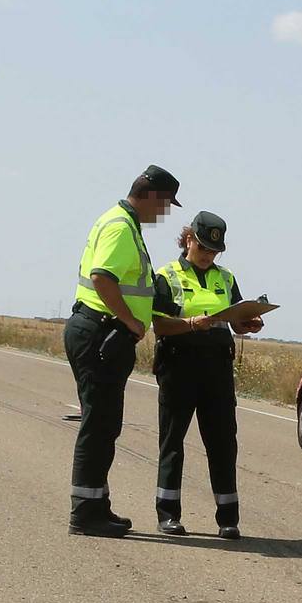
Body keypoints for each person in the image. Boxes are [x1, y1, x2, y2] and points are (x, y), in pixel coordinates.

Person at [65, 164, 181, 538]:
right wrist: (130, 321)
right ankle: (84, 513)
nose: (163, 213)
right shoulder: (120, 226)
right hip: (101, 332)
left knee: (106, 424)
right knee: (98, 425)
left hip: (100, 332)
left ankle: (97, 504)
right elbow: (102, 277)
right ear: (148, 195)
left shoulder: (124, 224)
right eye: (164, 204)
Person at [150, 211, 262, 539]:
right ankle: (168, 514)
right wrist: (190, 324)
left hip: (217, 368)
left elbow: (237, 316)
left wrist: (248, 323)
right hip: (179, 364)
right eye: (203, 249)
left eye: (214, 251)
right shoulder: (166, 275)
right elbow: (157, 325)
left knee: (223, 443)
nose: (209, 255)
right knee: (173, 442)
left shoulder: (225, 278)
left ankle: (228, 517)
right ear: (188, 240)